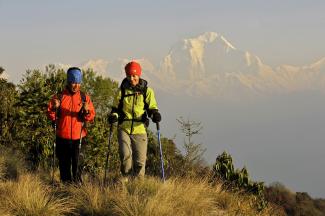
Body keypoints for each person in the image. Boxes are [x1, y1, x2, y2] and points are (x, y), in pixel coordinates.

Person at [108, 61, 161, 181]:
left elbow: (152, 108)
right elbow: (116, 109)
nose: (131, 78)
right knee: (125, 156)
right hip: (124, 128)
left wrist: (155, 114)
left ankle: (138, 186)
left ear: (139, 75)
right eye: (129, 76)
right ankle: (125, 182)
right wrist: (114, 116)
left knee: (140, 162)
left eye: (134, 76)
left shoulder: (147, 91)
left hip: (140, 128)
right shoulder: (121, 91)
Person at [47, 67, 95, 183]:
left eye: (78, 83)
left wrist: (87, 111)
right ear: (68, 82)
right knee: (64, 166)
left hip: (79, 137)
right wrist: (54, 108)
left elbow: (90, 117)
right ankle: (66, 190)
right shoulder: (58, 97)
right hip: (62, 137)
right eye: (73, 82)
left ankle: (77, 189)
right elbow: (50, 114)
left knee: (78, 165)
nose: (76, 85)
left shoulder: (84, 98)